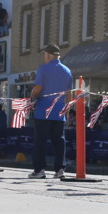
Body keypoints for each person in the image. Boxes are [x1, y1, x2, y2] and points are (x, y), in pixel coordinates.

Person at [28, 44, 73, 179]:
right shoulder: (67, 71)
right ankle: (60, 169)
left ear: (48, 55)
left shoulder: (43, 69)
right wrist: (67, 110)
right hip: (59, 112)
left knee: (40, 141)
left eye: (45, 55)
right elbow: (69, 93)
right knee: (59, 141)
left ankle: (39, 170)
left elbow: (38, 88)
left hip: (43, 111)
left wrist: (31, 97)